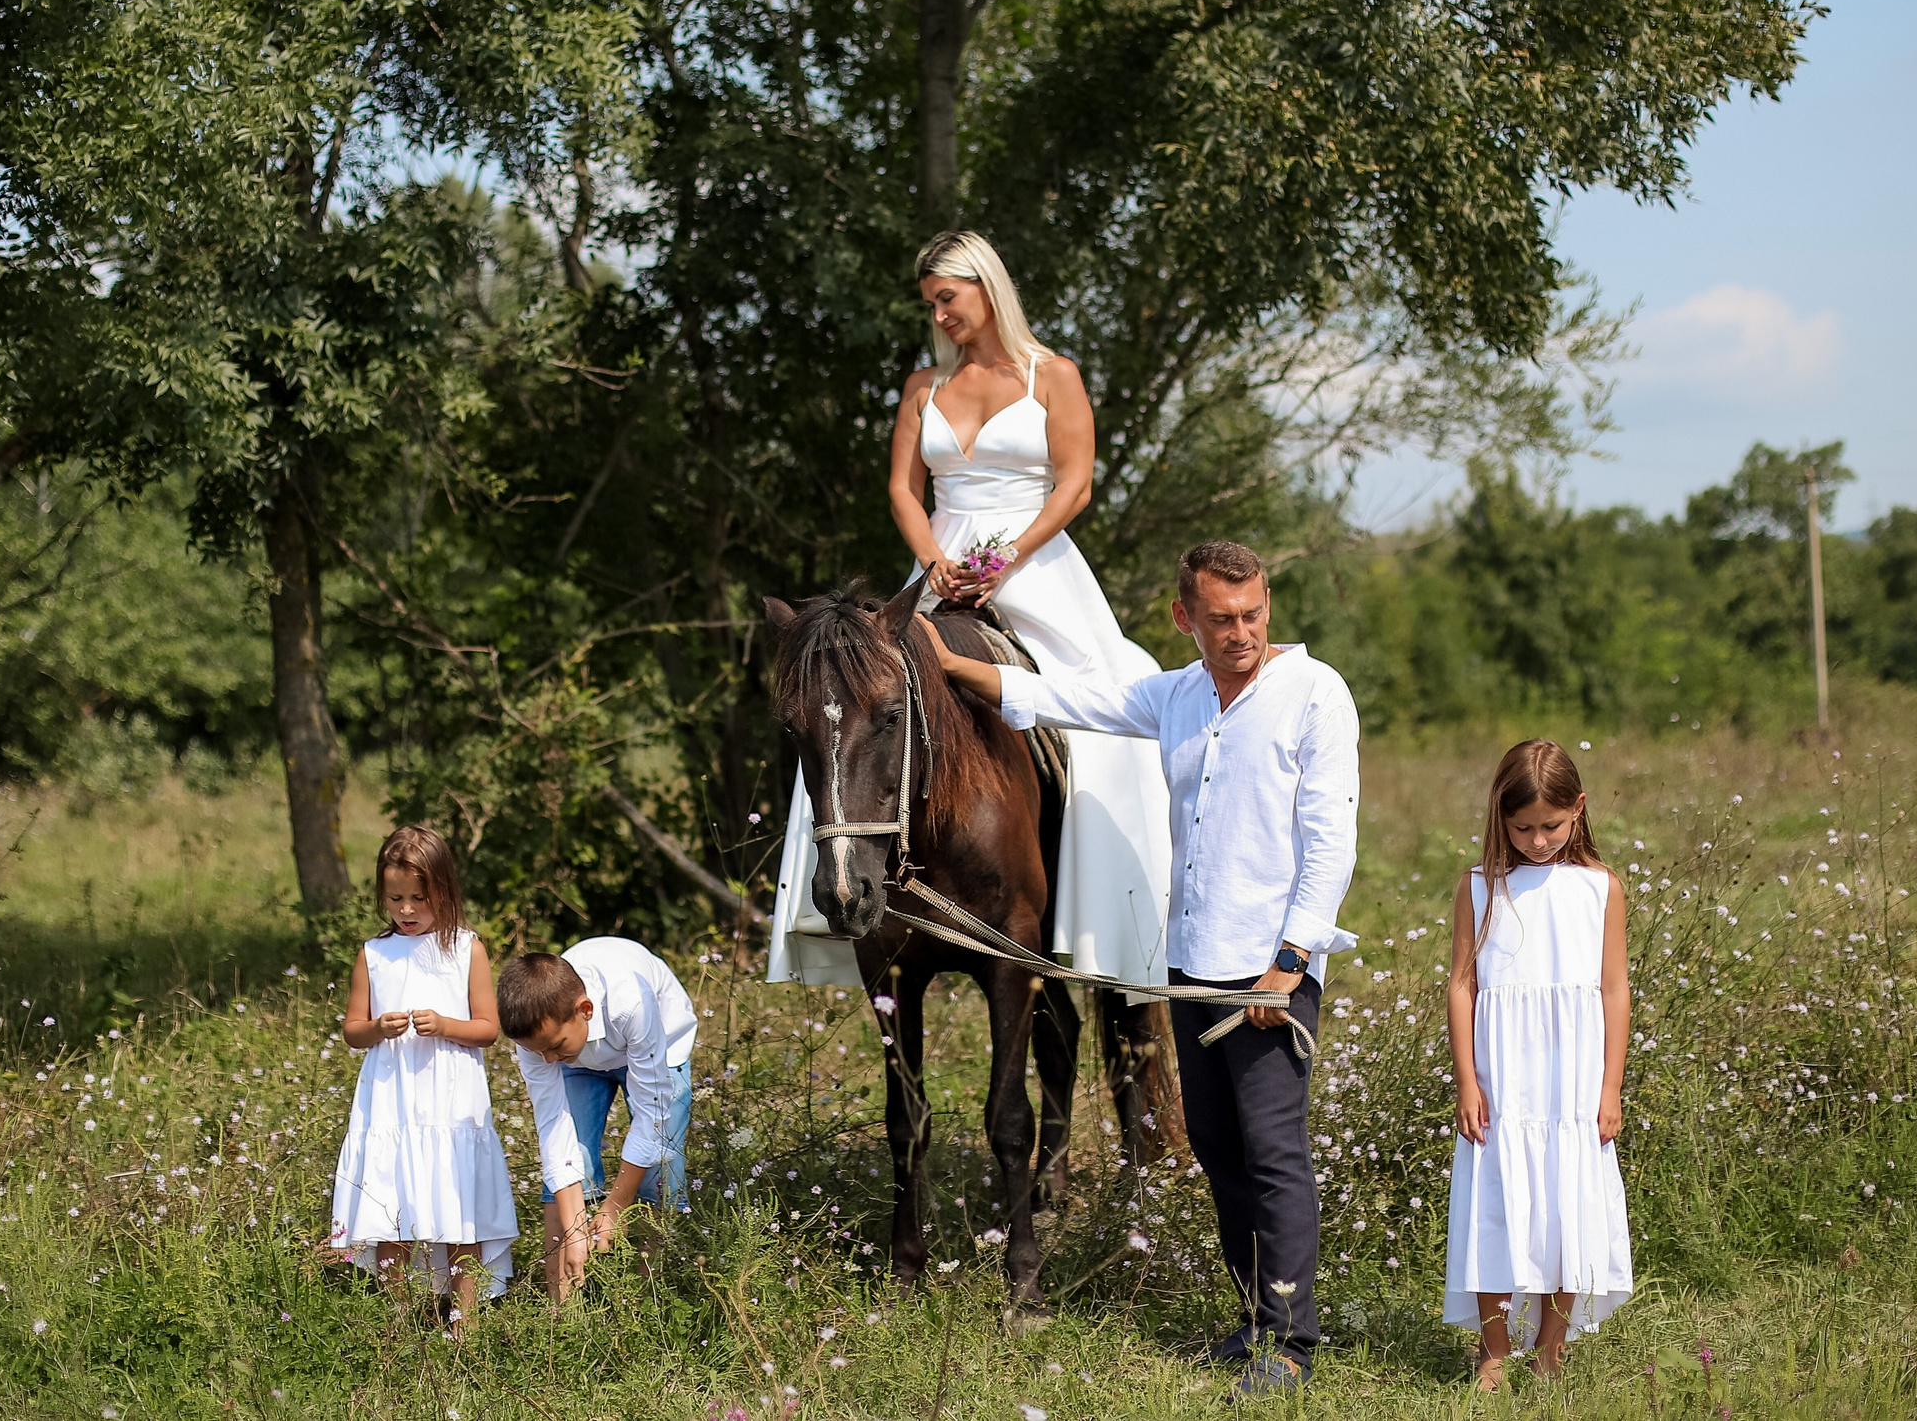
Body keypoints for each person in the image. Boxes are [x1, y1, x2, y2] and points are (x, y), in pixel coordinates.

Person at [922, 539, 1357, 1400]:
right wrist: (948, 661)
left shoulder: (1315, 692)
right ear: (1184, 617)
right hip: (1190, 964)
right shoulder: (1177, 694)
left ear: (1267, 604)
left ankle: (1291, 1343)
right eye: (1221, 618)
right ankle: (1255, 1322)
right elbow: (1061, 697)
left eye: (1253, 614)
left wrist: (1291, 961)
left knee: (1274, 1155)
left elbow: (1330, 836)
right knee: (1221, 1153)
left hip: (1269, 972)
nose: (1241, 633)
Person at [768, 229, 1172, 994]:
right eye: (930, 304)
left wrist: (1007, 556)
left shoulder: (1053, 374)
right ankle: (835, 891)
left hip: (1034, 559)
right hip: (939, 563)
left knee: (1110, 698)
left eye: (947, 298)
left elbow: (1076, 483)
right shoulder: (925, 385)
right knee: (847, 700)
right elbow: (902, 488)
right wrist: (933, 561)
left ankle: (1113, 908)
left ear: (987, 288)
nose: (939, 316)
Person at [1444, 739, 1634, 1390]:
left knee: (1565, 1208)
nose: (1538, 840)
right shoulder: (1480, 887)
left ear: (1578, 808)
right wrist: (1468, 1081)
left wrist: (1610, 1086)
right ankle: (1495, 1350)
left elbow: (1614, 989)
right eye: (1522, 827)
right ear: (1500, 817)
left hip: (1571, 1084)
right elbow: (1462, 984)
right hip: (1502, 1082)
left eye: (1551, 825)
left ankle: (1552, 1349)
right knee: (1494, 1206)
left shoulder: (1600, 888)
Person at [327, 826, 520, 1328]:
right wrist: (377, 1027)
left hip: (450, 1099)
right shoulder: (374, 955)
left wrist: (446, 1025)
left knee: (458, 1205)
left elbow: (488, 1028)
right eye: (395, 899)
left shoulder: (467, 949)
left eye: (419, 897)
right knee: (390, 1203)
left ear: (445, 890)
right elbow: (352, 1030)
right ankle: (398, 1317)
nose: (407, 910)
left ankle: (464, 1321)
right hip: (393, 1097)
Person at [497, 937, 699, 1299]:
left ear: (585, 1009)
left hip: (658, 1048)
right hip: (580, 1059)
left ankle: (648, 1299)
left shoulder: (632, 1004)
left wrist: (614, 1207)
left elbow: (653, 1112)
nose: (547, 1060)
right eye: (538, 1052)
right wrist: (575, 1230)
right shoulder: (539, 1035)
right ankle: (562, 1308)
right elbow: (554, 1127)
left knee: (660, 1174)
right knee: (571, 1168)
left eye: (554, 1047)